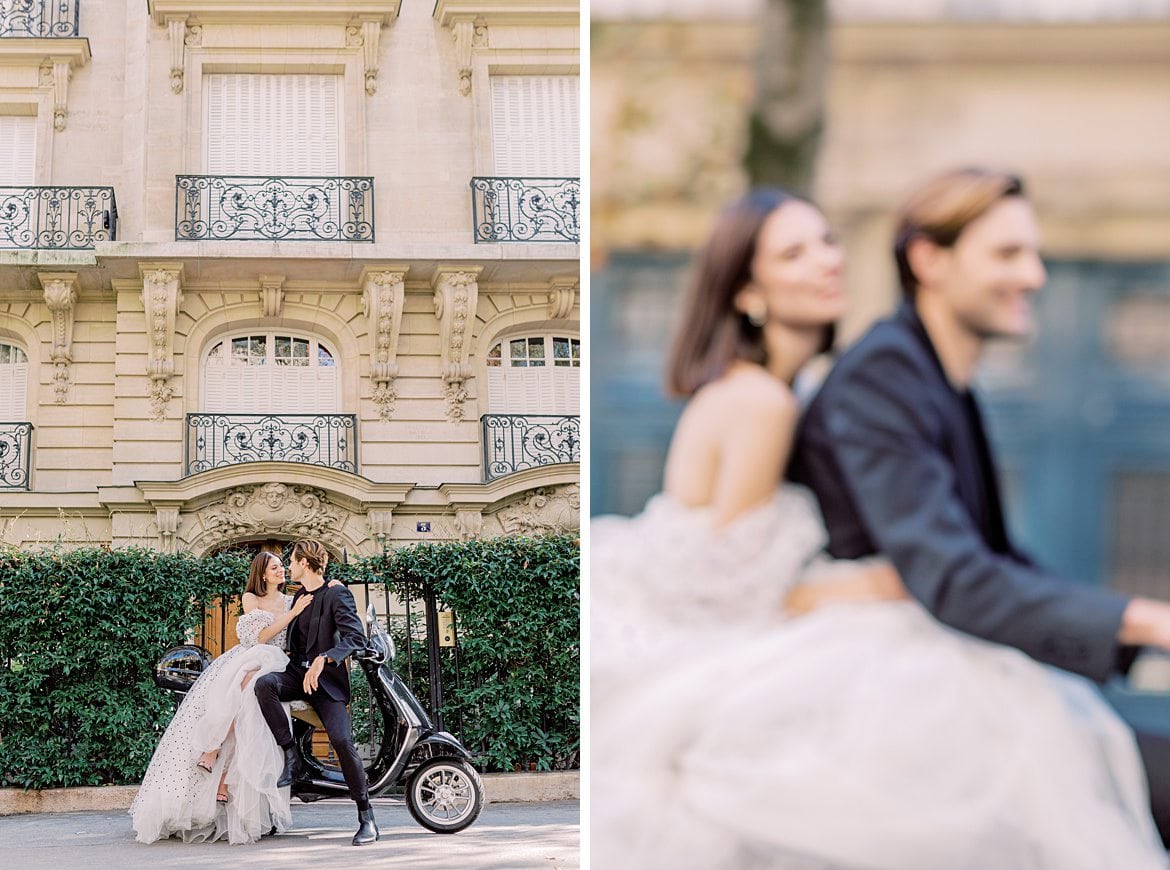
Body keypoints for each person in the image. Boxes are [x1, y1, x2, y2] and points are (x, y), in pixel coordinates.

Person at [590, 186, 1169, 869]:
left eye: (828, 241)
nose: (826, 261)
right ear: (747, 291)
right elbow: (730, 586)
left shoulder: (800, 389)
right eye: (794, 253)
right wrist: (871, 586)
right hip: (730, 642)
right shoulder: (762, 401)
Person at [789, 167, 1170, 849]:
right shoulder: (885, 374)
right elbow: (956, 577)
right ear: (928, 259)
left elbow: (1001, 558)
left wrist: (1137, 631)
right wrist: (1147, 621)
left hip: (953, 668)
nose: (1035, 276)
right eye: (1007, 254)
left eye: (1033, 253)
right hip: (893, 689)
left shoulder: (934, 374)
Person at [131, 550, 313, 844]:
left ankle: (223, 768)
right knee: (240, 691)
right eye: (275, 568)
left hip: (275, 662)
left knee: (250, 692)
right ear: (262, 574)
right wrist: (291, 614)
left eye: (282, 566)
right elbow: (260, 637)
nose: (281, 571)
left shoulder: (292, 599)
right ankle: (216, 757)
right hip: (250, 656)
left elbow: (286, 639)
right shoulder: (251, 598)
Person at [253, 538, 378, 846]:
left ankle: (366, 816)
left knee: (340, 740)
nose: (289, 567)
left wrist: (324, 659)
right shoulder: (297, 598)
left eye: (292, 562)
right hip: (297, 675)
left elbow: (355, 638)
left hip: (326, 684)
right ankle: (291, 754)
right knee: (264, 685)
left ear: (305, 564)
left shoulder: (336, 593)